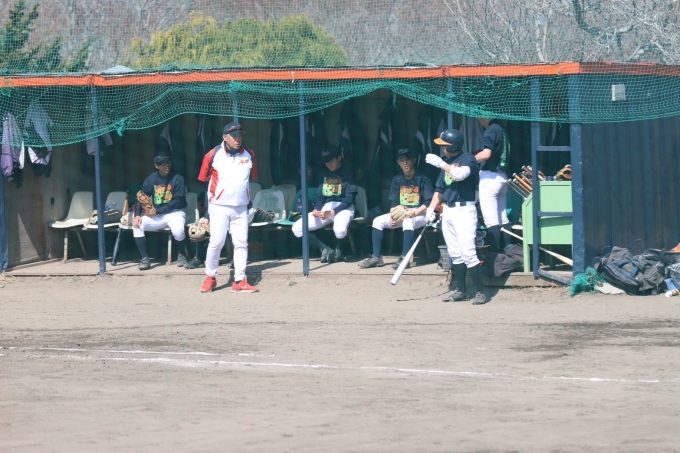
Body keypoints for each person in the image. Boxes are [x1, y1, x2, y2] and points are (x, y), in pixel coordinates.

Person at [425, 129, 488, 305]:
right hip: (448, 211)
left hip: (464, 210)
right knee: (455, 253)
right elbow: (440, 190)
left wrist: (440, 164)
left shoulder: (468, 159)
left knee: (468, 253)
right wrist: (431, 208)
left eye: (445, 145)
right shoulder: (446, 162)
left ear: (453, 146)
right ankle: (461, 291)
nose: (442, 148)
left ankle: (480, 293)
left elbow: (460, 175)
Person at [197, 122, 258, 293]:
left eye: (240, 135)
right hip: (219, 206)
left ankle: (239, 280)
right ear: (224, 137)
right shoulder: (212, 154)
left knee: (241, 243)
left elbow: (251, 178)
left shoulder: (249, 154)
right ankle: (210, 277)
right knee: (217, 242)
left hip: (241, 207)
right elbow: (202, 180)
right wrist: (206, 213)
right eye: (234, 136)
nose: (238, 139)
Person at [358, 148, 433, 270]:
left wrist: (414, 213)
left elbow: (429, 202)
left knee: (408, 221)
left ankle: (405, 258)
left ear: (413, 160)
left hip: (422, 212)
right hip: (402, 212)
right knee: (377, 221)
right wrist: (393, 215)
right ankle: (377, 257)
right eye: (402, 160)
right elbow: (394, 201)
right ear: (398, 163)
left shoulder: (422, 178)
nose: (405, 163)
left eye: (407, 159)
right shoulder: (397, 179)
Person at [292, 144, 357, 263]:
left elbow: (349, 199)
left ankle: (339, 251)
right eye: (326, 162)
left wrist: (332, 212)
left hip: (344, 208)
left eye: (331, 161)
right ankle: (324, 248)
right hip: (326, 207)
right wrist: (316, 209)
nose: (329, 164)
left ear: (339, 158)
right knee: (297, 228)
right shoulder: (323, 173)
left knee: (340, 230)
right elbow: (321, 196)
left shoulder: (348, 172)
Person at [133, 152, 188, 271]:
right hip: (157, 215)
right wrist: (137, 215)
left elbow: (178, 201)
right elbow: (141, 198)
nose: (167, 165)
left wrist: (157, 211)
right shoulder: (151, 179)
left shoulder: (177, 178)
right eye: (163, 163)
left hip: (175, 212)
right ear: (156, 166)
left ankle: (181, 253)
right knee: (138, 225)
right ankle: (144, 258)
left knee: (178, 231)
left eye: (168, 162)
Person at [475, 118, 511, 252]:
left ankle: (495, 257)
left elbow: (485, 154)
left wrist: (467, 160)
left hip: (490, 178)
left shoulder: (491, 129)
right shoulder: (502, 128)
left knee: (491, 221)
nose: (478, 119)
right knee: (503, 219)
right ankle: (508, 252)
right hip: (503, 177)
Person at [184, 191, 208, 269]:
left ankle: (235, 259)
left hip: (233, 216)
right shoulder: (210, 190)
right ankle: (199, 259)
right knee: (200, 226)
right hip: (213, 215)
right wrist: (207, 218)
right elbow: (208, 207)